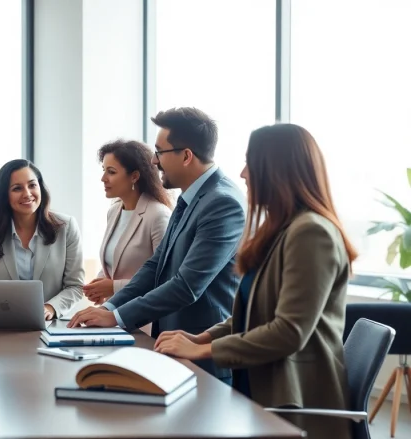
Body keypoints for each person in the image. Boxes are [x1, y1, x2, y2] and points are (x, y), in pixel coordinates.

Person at [154, 123, 356, 439]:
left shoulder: (311, 233)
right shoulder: (281, 231)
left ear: (276, 171)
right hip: (261, 389)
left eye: (251, 163)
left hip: (292, 404)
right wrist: (201, 338)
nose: (244, 173)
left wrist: (204, 352)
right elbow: (252, 315)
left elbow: (288, 332)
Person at [69, 107, 246, 382]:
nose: (153, 161)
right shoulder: (190, 197)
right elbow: (156, 266)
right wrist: (109, 308)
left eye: (160, 152)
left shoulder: (223, 203)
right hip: (170, 344)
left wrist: (117, 317)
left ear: (186, 155)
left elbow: (186, 286)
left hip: (202, 350)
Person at [0, 159, 84, 320]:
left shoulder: (66, 227)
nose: (27, 193)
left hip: (54, 324)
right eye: (17, 188)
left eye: (32, 185)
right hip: (6, 324)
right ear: (4, 195)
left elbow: (76, 286)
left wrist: (50, 307)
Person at [83, 139, 173, 306]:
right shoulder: (115, 211)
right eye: (104, 170)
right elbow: (114, 261)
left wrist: (114, 287)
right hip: (114, 312)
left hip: (145, 318)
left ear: (134, 176)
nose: (103, 178)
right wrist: (99, 285)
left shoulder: (158, 215)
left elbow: (164, 278)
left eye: (111, 172)